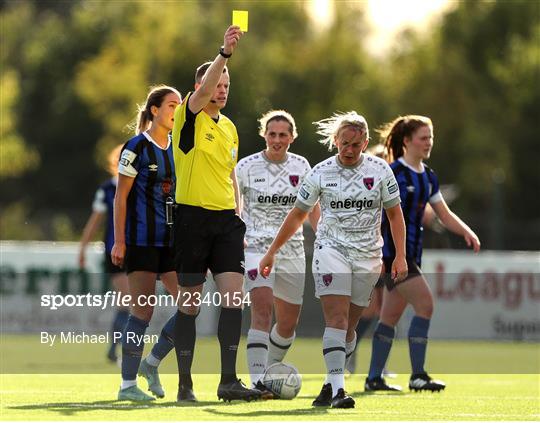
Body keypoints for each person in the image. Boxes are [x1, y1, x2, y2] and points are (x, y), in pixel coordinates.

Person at [259, 111, 408, 409]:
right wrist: (272, 250)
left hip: (368, 256)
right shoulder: (320, 172)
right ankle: (340, 390)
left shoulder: (380, 171)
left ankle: (329, 384)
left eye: (355, 144)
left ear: (365, 143)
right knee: (337, 319)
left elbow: (394, 215)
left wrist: (400, 256)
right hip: (331, 249)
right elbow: (298, 214)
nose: (349, 150)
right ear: (335, 141)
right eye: (344, 143)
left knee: (349, 328)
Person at [171, 26, 261, 403]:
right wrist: (223, 54)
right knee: (189, 303)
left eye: (227, 84)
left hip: (225, 222)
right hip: (192, 219)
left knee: (233, 298)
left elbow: (230, 174)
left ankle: (228, 381)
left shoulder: (231, 128)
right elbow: (204, 91)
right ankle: (185, 383)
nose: (221, 89)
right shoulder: (187, 116)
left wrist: (238, 214)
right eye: (216, 83)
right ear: (201, 87)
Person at [364, 115, 481, 393]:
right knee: (425, 304)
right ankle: (418, 376)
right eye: (423, 137)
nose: (428, 143)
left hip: (411, 256)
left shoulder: (428, 176)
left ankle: (373, 378)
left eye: (430, 137)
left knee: (389, 317)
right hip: (393, 256)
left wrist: (466, 231)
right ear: (407, 141)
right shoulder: (391, 172)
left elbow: (444, 213)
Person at [236, 110, 320, 398]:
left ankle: (270, 371)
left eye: (283, 134)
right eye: (272, 134)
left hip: (294, 249)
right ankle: (258, 382)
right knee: (261, 310)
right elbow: (234, 208)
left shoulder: (302, 166)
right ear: (264, 135)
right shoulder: (245, 167)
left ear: (292, 137)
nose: (277, 139)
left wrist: (322, 239)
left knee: (287, 324)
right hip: (256, 248)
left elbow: (312, 208)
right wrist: (236, 240)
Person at [111, 84, 182, 401]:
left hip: (172, 243)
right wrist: (119, 241)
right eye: (171, 105)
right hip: (141, 241)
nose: (176, 111)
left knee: (190, 306)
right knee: (142, 312)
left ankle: (151, 363)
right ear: (155, 110)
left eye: (179, 105)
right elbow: (120, 197)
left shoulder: (178, 148)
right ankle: (127, 385)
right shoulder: (136, 147)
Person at [78, 145, 129, 364]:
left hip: (139, 249)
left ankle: (114, 348)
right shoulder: (108, 189)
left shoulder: (141, 186)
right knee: (128, 298)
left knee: (126, 301)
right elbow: (95, 222)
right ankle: (121, 350)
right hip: (114, 251)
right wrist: (82, 248)